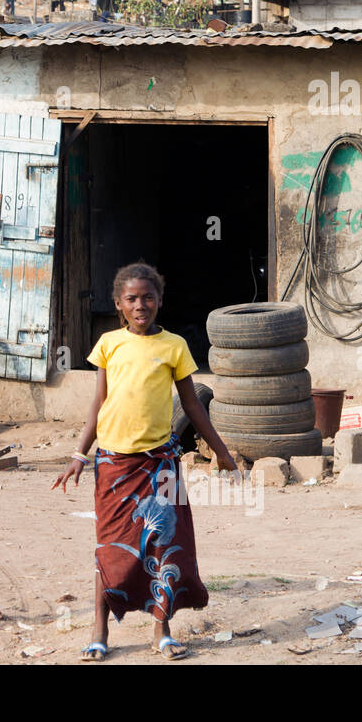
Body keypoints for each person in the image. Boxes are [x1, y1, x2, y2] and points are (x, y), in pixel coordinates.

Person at [53, 261, 238, 662]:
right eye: (132, 299)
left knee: (164, 546)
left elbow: (192, 405)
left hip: (160, 465)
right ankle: (99, 629)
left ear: (159, 300)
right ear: (119, 304)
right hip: (114, 465)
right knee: (110, 548)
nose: (141, 305)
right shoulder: (108, 344)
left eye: (148, 297)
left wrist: (222, 452)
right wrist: (78, 454)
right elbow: (97, 405)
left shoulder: (174, 346)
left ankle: (162, 630)